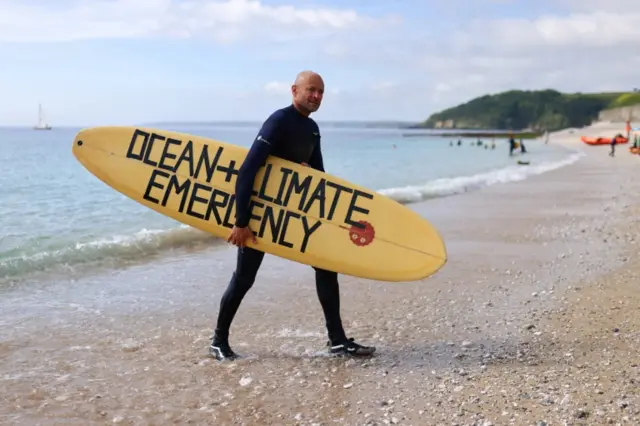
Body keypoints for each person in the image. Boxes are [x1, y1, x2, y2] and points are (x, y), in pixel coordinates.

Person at [208, 70, 376, 361]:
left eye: (321, 92)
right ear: (294, 90)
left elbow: (319, 178)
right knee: (245, 278)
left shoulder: (311, 130)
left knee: (326, 267)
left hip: (294, 217)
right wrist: (241, 222)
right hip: (261, 216)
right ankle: (217, 341)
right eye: (311, 90)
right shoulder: (278, 121)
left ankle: (337, 341)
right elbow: (247, 170)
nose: (316, 96)